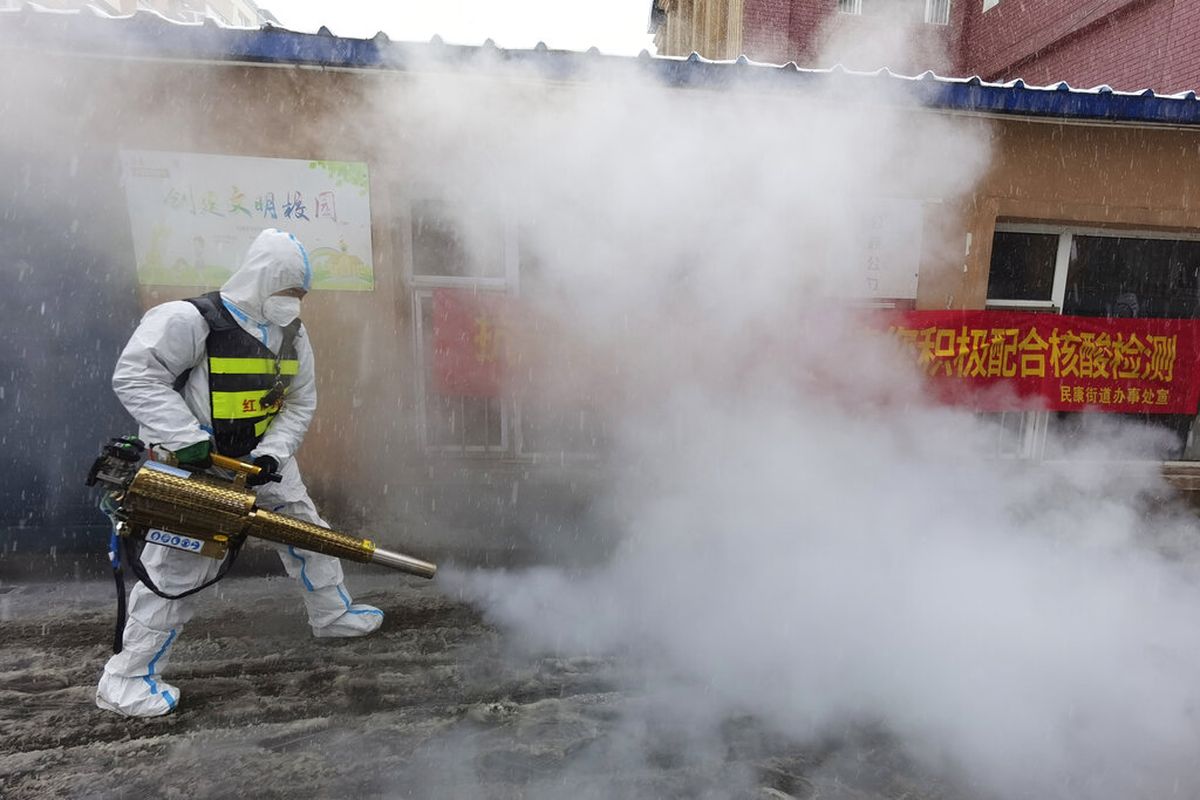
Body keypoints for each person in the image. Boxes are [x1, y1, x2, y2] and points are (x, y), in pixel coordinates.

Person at [95, 228, 383, 718]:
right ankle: (126, 679)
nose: (293, 302)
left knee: (307, 532)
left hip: (260, 464)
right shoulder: (192, 321)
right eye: (286, 290)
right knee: (178, 571)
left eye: (300, 294)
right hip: (197, 469)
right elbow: (136, 376)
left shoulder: (293, 334)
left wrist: (272, 454)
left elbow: (298, 402)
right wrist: (187, 439)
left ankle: (332, 615)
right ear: (260, 278)